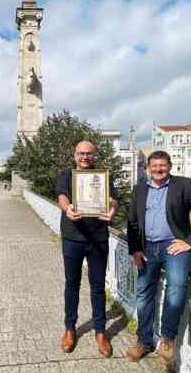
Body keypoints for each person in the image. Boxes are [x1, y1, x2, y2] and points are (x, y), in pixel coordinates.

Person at [125, 150, 191, 365]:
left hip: (174, 247)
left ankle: (167, 338)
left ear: (170, 166)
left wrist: (190, 242)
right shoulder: (139, 189)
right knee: (143, 294)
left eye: (162, 165)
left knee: (176, 287)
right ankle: (144, 341)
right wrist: (135, 250)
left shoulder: (184, 185)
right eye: (154, 166)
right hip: (147, 248)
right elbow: (133, 222)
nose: (158, 169)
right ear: (148, 168)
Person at [56, 140, 119, 357]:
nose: (85, 157)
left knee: (98, 287)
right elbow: (62, 196)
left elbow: (112, 200)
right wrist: (67, 210)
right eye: (81, 153)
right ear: (75, 155)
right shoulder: (66, 175)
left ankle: (101, 332)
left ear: (95, 156)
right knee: (72, 285)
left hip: (98, 238)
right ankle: (70, 328)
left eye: (89, 154)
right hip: (72, 237)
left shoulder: (103, 176)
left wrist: (111, 209)